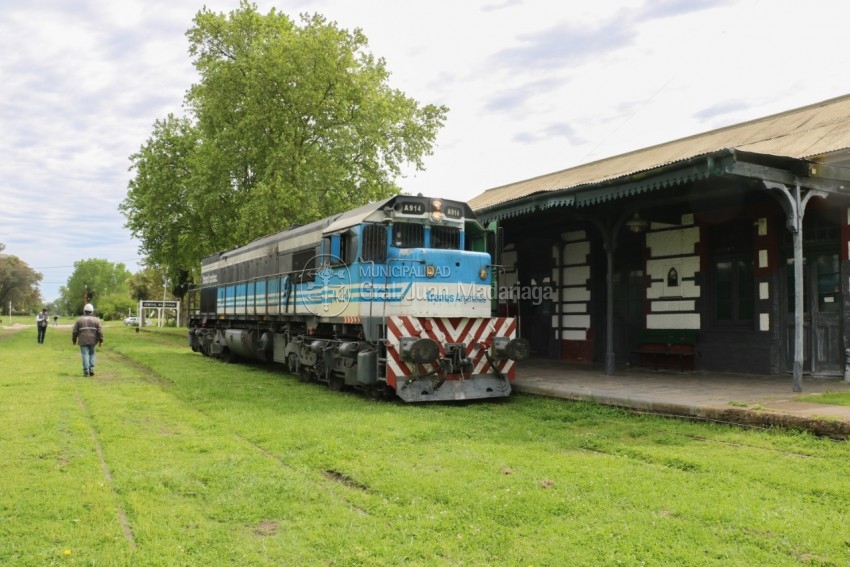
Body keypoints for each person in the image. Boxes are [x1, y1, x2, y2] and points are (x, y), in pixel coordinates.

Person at [72, 303, 104, 377]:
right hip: (93, 340)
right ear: (92, 311)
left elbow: (75, 331)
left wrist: (74, 340)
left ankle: (86, 371)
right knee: (92, 354)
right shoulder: (96, 320)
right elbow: (100, 331)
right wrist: (101, 341)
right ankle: (91, 369)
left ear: (84, 311)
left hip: (82, 340)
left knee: (85, 355)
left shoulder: (79, 320)